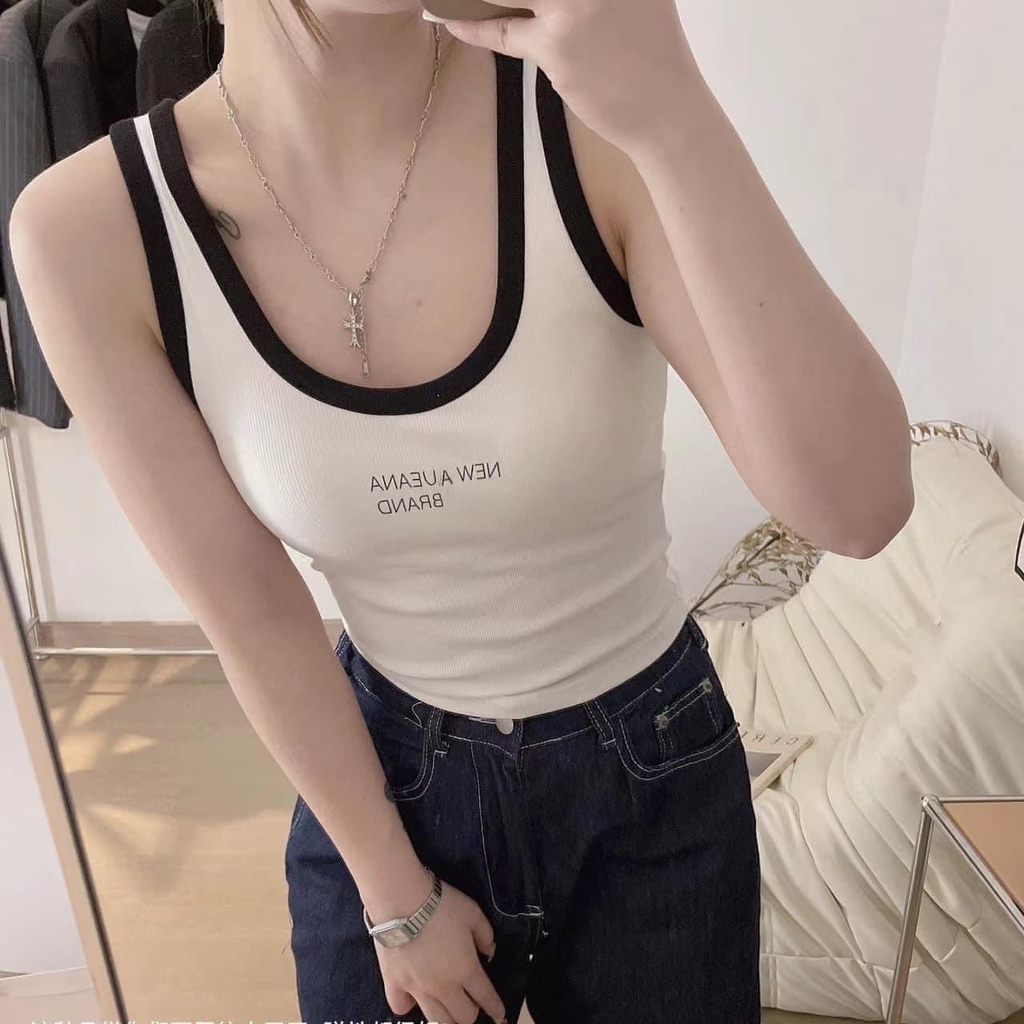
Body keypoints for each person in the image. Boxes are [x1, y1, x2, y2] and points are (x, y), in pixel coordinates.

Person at [9, 0, 915, 1021]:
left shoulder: (588, 118)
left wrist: (675, 116)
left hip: (654, 759)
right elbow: (251, 609)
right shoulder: (90, 230)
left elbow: (861, 508)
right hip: (379, 780)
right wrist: (395, 894)